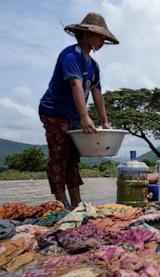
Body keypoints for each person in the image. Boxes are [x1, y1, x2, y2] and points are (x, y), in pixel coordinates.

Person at [38, 12, 119, 209]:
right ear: (87, 35)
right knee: (59, 156)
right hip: (55, 111)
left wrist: (105, 122)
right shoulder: (70, 55)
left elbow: (97, 94)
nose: (102, 41)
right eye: (100, 36)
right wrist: (84, 117)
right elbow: (75, 85)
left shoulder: (94, 66)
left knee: (73, 157)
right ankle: (60, 202)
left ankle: (76, 201)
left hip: (73, 116)